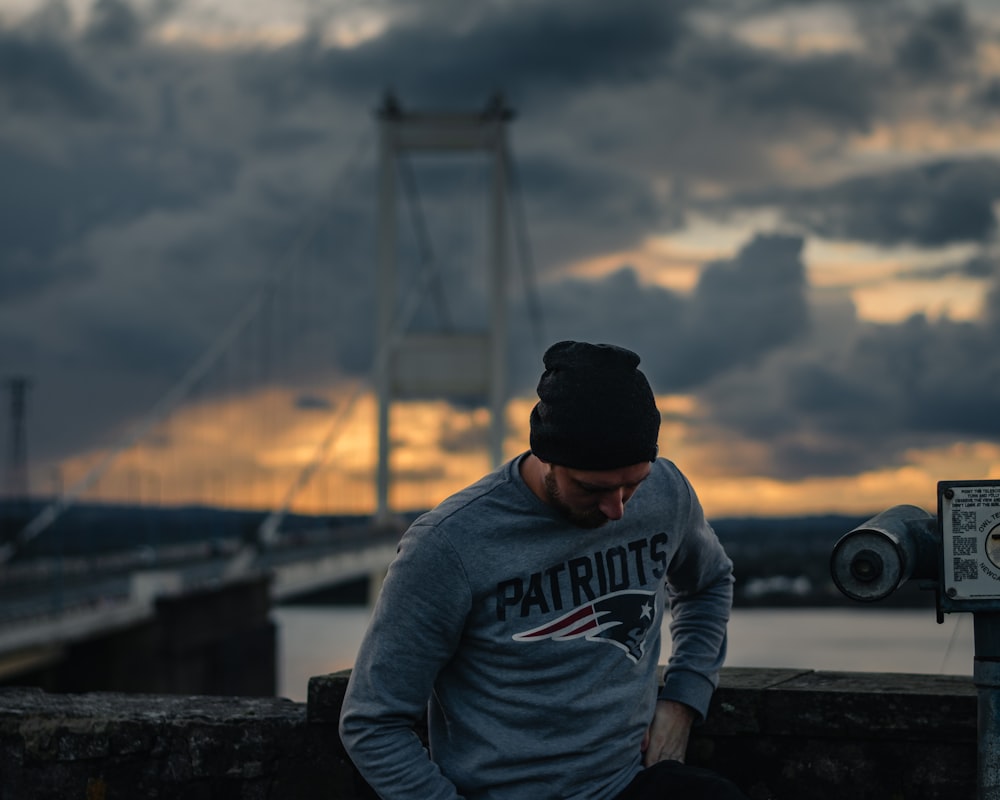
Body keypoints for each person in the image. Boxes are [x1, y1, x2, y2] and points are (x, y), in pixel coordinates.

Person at [339, 340, 747, 800]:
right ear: (546, 457)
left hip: (631, 784)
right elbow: (373, 724)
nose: (617, 509)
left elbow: (708, 584)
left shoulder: (667, 491)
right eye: (593, 488)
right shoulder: (447, 545)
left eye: (633, 484)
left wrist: (682, 701)